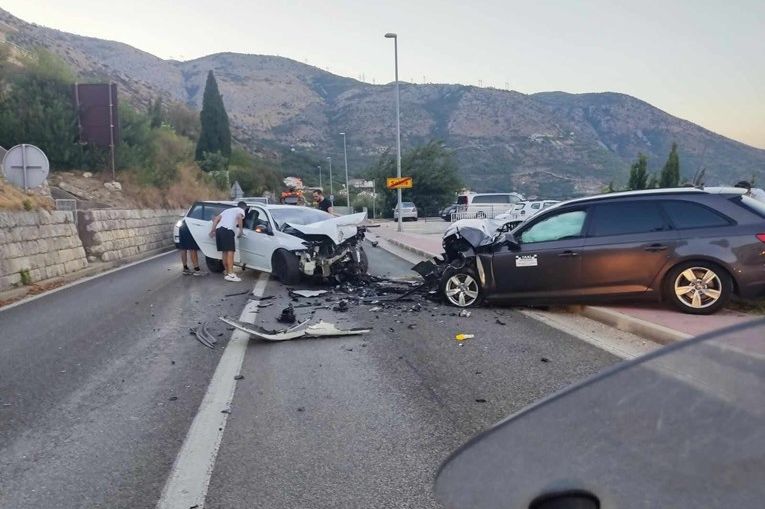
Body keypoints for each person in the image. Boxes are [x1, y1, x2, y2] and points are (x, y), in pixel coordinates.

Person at [209, 201, 247, 282]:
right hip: (227, 230)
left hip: (219, 230)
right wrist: (241, 231)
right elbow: (239, 217)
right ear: (244, 207)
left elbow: (216, 219)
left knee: (224, 252)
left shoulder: (227, 211)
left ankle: (227, 271)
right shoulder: (240, 210)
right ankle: (231, 274)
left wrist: (213, 230)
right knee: (230, 252)